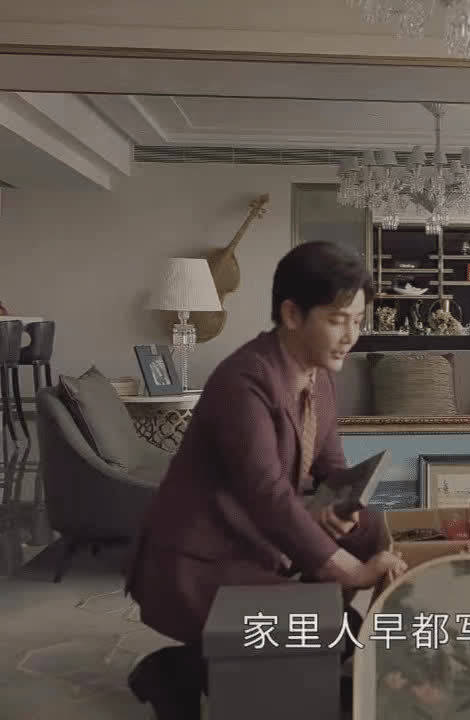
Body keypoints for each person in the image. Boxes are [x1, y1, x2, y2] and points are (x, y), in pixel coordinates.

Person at [124, 241, 407, 719]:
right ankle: (177, 670)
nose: (350, 336)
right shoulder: (245, 379)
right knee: (334, 630)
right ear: (292, 314)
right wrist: (351, 572)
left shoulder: (318, 376)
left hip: (254, 542)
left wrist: (340, 507)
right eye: (338, 320)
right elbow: (267, 496)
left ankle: (286, 639)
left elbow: (331, 467)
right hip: (201, 561)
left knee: (368, 529)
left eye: (358, 321)